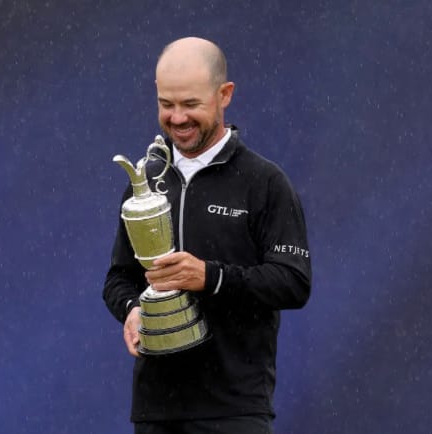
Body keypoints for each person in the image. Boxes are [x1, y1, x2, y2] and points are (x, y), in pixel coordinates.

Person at [103, 36, 311, 434]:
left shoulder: (264, 182)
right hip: (155, 412)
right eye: (166, 104)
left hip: (234, 412)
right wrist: (131, 310)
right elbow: (119, 278)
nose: (177, 118)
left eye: (191, 104)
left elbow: (293, 282)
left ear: (224, 94)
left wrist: (210, 277)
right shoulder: (144, 182)